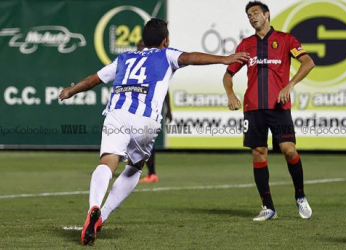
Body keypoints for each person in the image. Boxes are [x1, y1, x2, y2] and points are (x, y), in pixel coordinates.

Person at [59, 18, 249, 245]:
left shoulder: (124, 58)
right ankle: (102, 217)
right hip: (145, 119)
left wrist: (71, 91)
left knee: (107, 161)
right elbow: (189, 57)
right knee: (136, 166)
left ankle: (94, 206)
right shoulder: (166, 54)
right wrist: (224, 59)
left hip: (117, 113)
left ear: (143, 40)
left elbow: (93, 80)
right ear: (165, 41)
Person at [223, 1, 315, 221]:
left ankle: (300, 197)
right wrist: (231, 94)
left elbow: (308, 63)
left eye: (255, 13)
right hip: (253, 108)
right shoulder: (246, 45)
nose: (252, 17)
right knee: (258, 153)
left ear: (267, 15)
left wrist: (290, 84)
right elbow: (228, 74)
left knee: (289, 150)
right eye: (248, 15)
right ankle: (268, 207)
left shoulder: (286, 40)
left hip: (279, 107)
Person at [135, 39, 173, 183]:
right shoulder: (135, 64)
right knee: (138, 142)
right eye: (138, 46)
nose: (139, 48)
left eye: (141, 46)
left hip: (149, 111)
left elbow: (165, 90)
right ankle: (144, 172)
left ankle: (151, 173)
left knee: (146, 142)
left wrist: (169, 109)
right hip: (136, 111)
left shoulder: (152, 65)